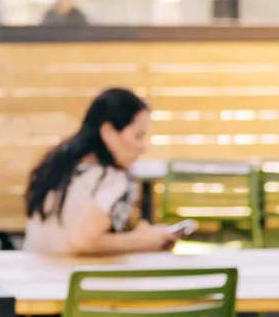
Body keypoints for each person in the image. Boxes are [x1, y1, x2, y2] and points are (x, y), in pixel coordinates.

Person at [22, 87, 176, 255]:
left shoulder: (57, 164)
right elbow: (83, 241)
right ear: (108, 132)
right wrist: (147, 241)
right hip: (71, 278)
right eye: (137, 136)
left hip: (33, 273)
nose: (143, 148)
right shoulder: (112, 179)